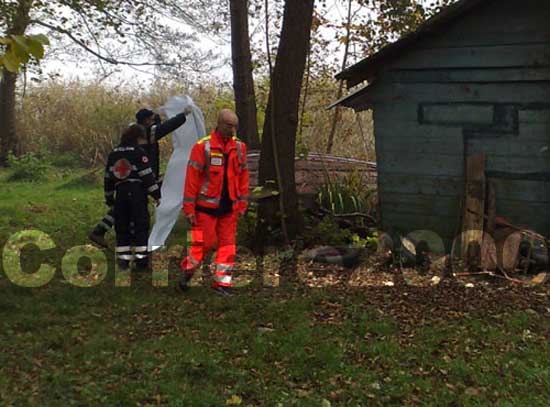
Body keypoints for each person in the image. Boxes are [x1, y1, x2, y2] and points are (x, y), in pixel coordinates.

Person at [89, 106, 191, 248]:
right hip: (141, 178)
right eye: (151, 119)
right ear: (146, 120)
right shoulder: (147, 132)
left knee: (123, 205)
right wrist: (183, 115)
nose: (154, 122)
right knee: (134, 205)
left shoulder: (135, 133)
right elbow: (166, 127)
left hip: (139, 177)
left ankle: (102, 230)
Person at [178, 109, 249, 296]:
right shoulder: (203, 147)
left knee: (227, 246)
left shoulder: (240, 147)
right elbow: (191, 180)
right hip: (205, 208)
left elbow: (243, 178)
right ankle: (188, 271)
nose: (232, 130)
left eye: (235, 126)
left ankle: (222, 284)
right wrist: (189, 208)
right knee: (204, 244)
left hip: (229, 207)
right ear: (219, 123)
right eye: (229, 126)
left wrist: (242, 204)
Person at [104, 124, 161, 270]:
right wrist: (156, 195)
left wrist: (109, 198)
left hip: (120, 194)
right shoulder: (138, 152)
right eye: (143, 138)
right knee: (141, 226)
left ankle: (123, 261)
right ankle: (141, 262)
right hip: (137, 193)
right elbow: (147, 175)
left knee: (122, 228)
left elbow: (108, 178)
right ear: (138, 137)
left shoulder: (114, 153)